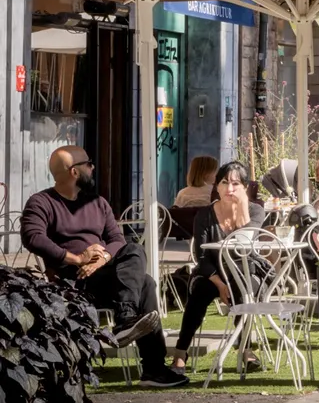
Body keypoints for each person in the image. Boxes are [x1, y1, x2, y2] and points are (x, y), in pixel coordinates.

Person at [21, 146, 189, 387]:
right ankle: (152, 367)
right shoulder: (42, 202)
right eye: (88, 163)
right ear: (74, 172)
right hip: (73, 282)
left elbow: (117, 240)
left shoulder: (97, 203)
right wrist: (77, 259)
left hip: (107, 277)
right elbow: (32, 237)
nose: (93, 167)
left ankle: (126, 321)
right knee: (146, 282)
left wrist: (104, 258)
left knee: (134, 252)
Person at [171, 161, 265, 373]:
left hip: (244, 270)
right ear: (217, 185)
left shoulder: (256, 211)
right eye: (224, 183)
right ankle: (180, 352)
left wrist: (241, 208)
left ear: (245, 187)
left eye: (235, 184)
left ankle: (245, 349)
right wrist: (220, 284)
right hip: (211, 272)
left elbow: (244, 249)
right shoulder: (205, 214)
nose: (229, 189)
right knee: (200, 291)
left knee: (245, 288)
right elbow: (201, 256)